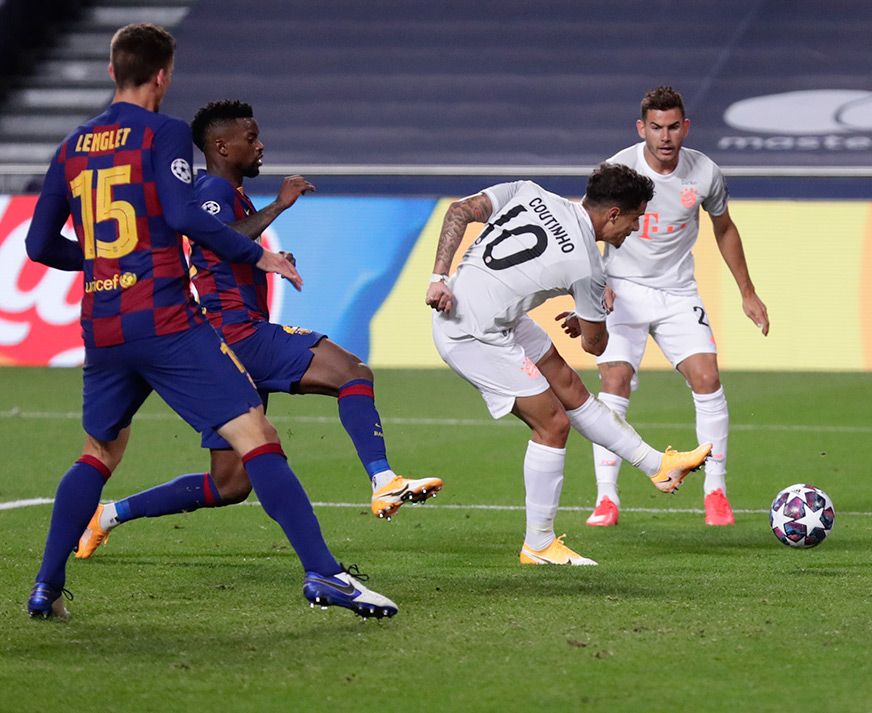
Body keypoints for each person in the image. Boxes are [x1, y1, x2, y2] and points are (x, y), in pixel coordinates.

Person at [23, 24, 396, 619]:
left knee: (97, 451)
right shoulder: (164, 132)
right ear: (164, 73)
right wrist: (259, 254)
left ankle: (45, 587)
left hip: (104, 325)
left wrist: (99, 260)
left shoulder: (71, 147)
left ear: (111, 71)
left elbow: (40, 245)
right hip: (167, 318)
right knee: (257, 439)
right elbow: (181, 212)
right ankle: (324, 574)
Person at [72, 100, 443, 560]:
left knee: (229, 484)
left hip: (226, 342)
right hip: (237, 333)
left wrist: (271, 263)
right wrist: (280, 206)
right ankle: (384, 480)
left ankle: (108, 515)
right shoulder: (211, 189)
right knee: (352, 372)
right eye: (251, 138)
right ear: (222, 146)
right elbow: (214, 234)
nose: (260, 144)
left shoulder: (233, 194)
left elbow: (227, 249)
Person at [425, 163, 712, 566]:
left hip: (481, 310)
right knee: (553, 424)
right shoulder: (588, 267)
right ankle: (538, 544)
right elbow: (596, 346)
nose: (633, 230)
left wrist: (438, 277)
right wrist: (594, 316)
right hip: (471, 334)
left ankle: (658, 466)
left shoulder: (530, 191)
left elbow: (459, 211)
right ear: (613, 214)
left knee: (570, 388)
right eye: (633, 220)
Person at [579, 86, 769, 528]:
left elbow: (725, 229)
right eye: (656, 128)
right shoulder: (618, 170)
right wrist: (596, 283)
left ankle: (716, 491)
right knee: (615, 380)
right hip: (621, 290)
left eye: (673, 127)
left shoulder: (704, 172)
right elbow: (585, 228)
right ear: (641, 128)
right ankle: (606, 499)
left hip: (678, 292)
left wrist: (747, 292)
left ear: (686, 127)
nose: (665, 137)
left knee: (708, 377)